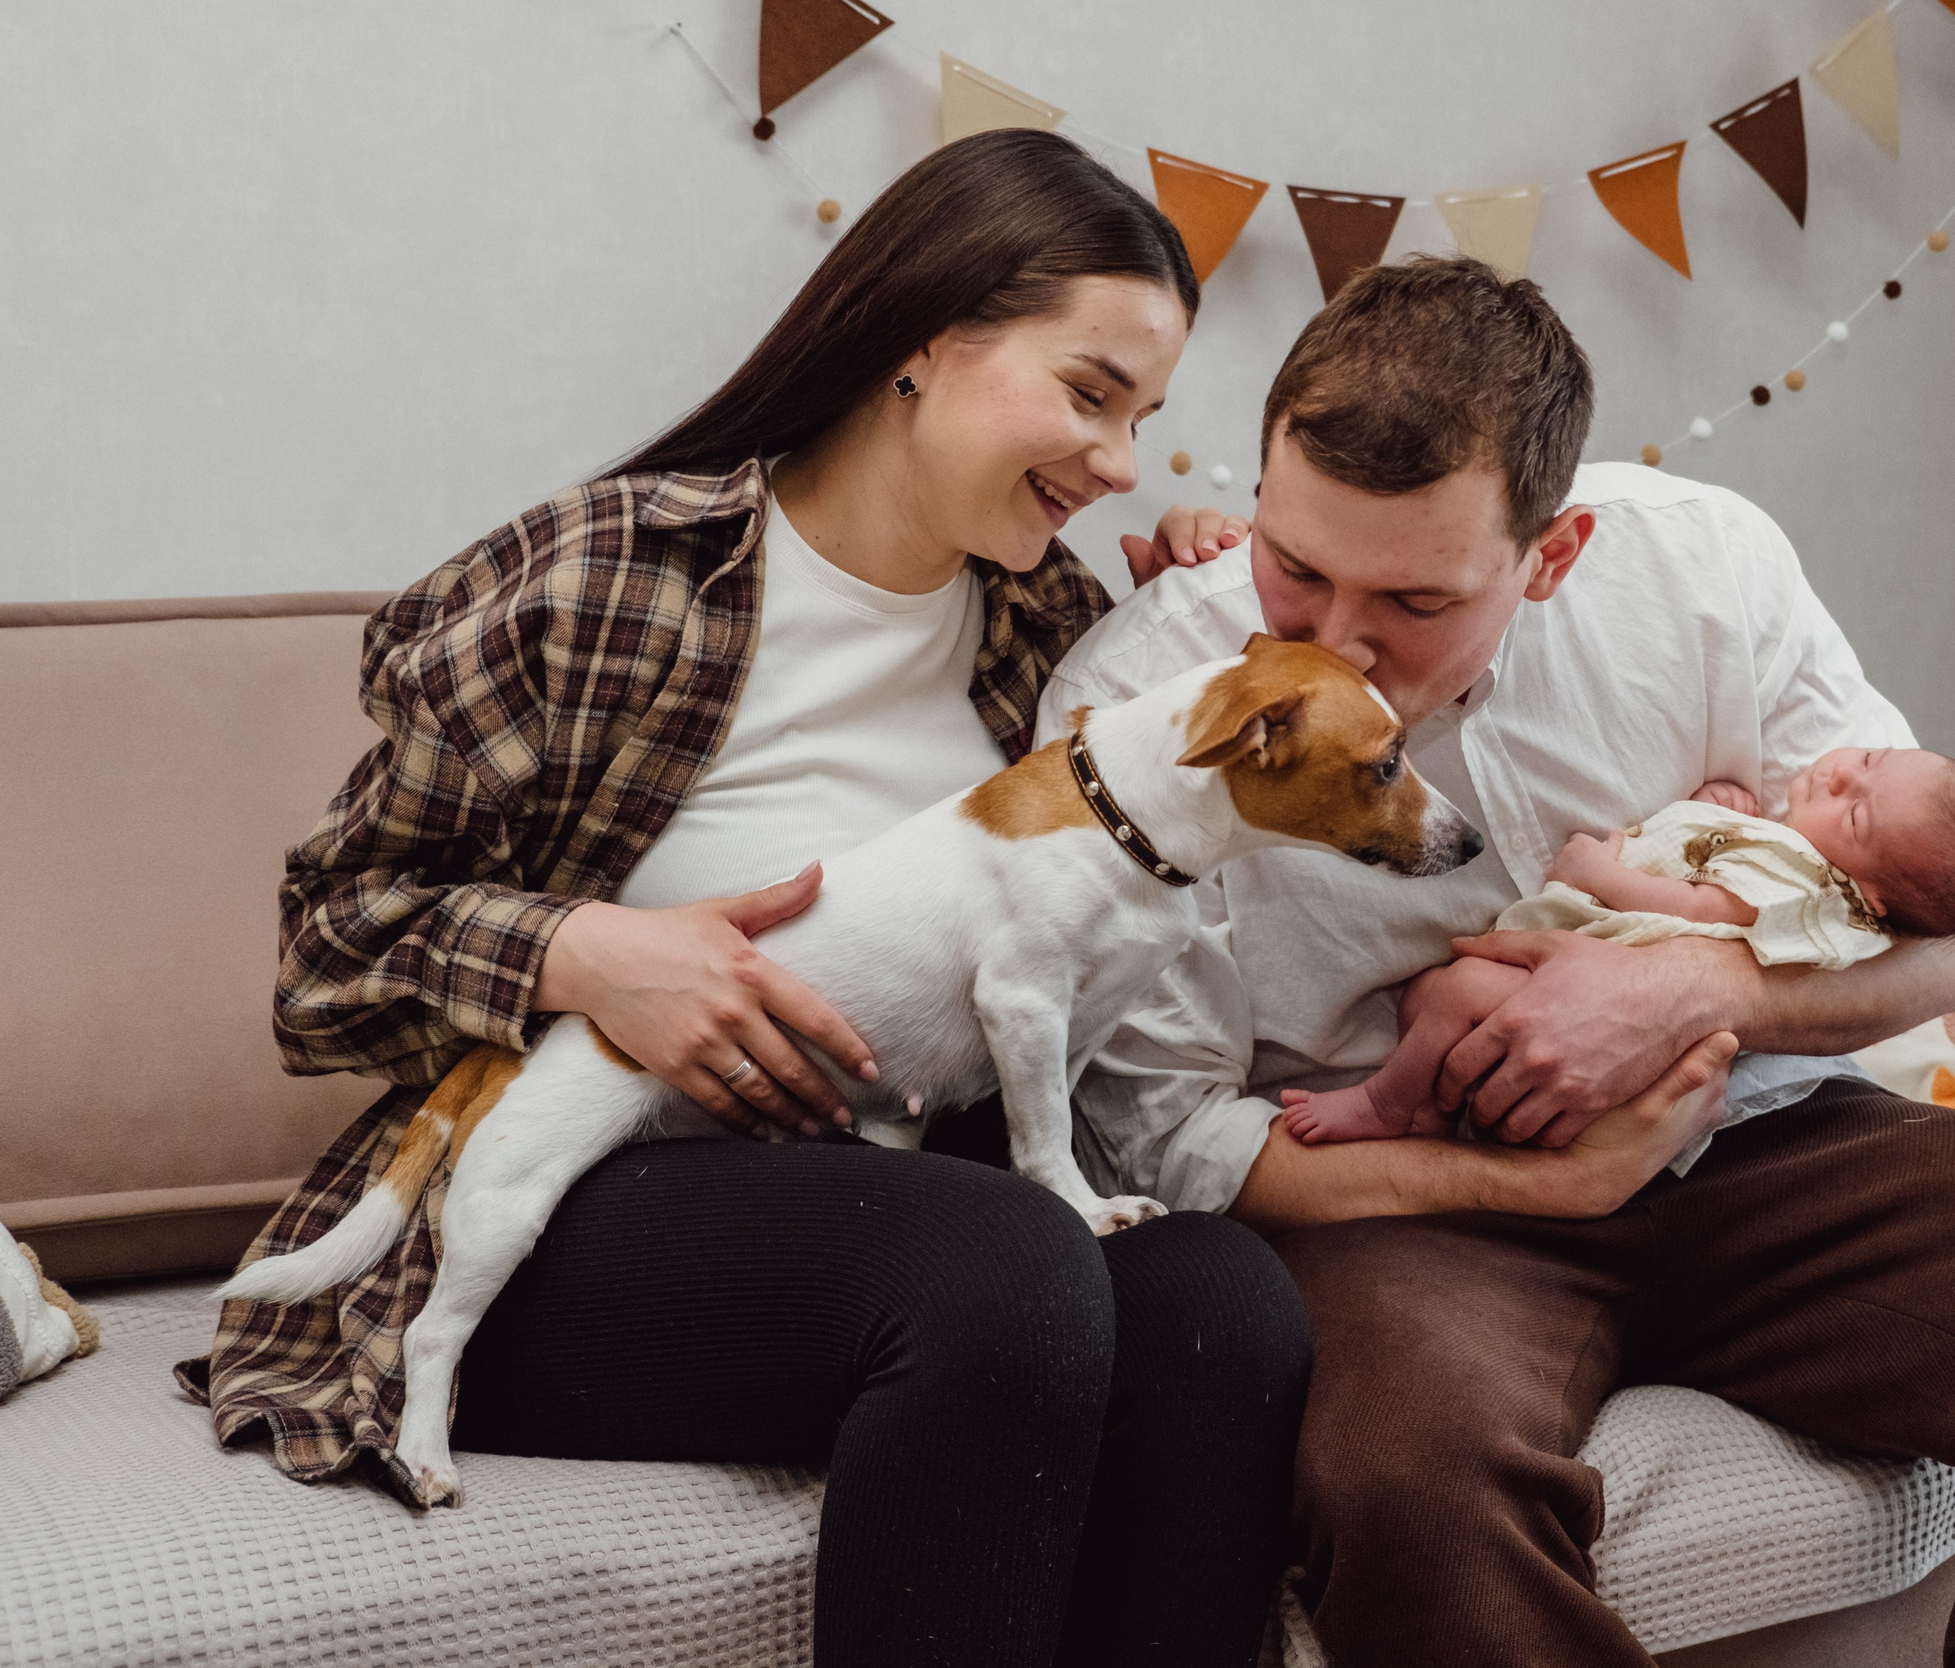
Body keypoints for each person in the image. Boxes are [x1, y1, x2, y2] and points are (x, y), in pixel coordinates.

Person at [1038, 256, 1955, 1668]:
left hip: (1753, 1139)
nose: (1337, 644)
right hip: (1395, 1206)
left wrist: (1698, 990)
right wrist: (1551, 1178)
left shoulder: (1701, 565)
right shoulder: (1126, 706)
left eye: (1413, 599)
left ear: (1553, 553)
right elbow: (1173, 1136)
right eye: (1296, 568)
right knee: (1407, 1491)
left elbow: (1946, 942)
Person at [185, 129, 1307, 1668]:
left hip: (904, 1190)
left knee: (1225, 1305)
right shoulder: (611, 576)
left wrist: (1215, 591)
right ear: (927, 339)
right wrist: (585, 951)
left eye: (1147, 419)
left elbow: (1220, 782)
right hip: (584, 1204)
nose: (1123, 461)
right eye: (1092, 394)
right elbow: (323, 957)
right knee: (1008, 1271)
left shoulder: (1059, 631)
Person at [1280, 749, 1955, 1143]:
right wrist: (1722, 812)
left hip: (1594, 984)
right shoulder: (1792, 852)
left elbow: (1702, 905)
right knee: (1438, 997)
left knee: (1457, 994)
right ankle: (1433, 1111)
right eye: (1868, 759)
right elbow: (1716, 861)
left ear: (1870, 898)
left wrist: (1595, 870)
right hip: (1567, 980)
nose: (1837, 774)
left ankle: (1386, 1102)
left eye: (1855, 813)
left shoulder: (1803, 884)